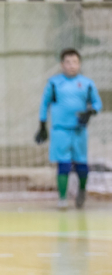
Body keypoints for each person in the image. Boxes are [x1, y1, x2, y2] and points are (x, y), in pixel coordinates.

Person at [35, 48, 102, 209]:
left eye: (75, 62)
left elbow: (97, 103)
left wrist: (90, 112)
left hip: (80, 131)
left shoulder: (87, 84)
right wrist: (42, 125)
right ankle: (63, 198)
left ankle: (82, 191)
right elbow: (44, 104)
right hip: (60, 130)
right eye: (68, 62)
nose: (71, 65)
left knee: (81, 165)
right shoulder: (54, 83)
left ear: (80, 64)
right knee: (63, 165)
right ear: (62, 64)